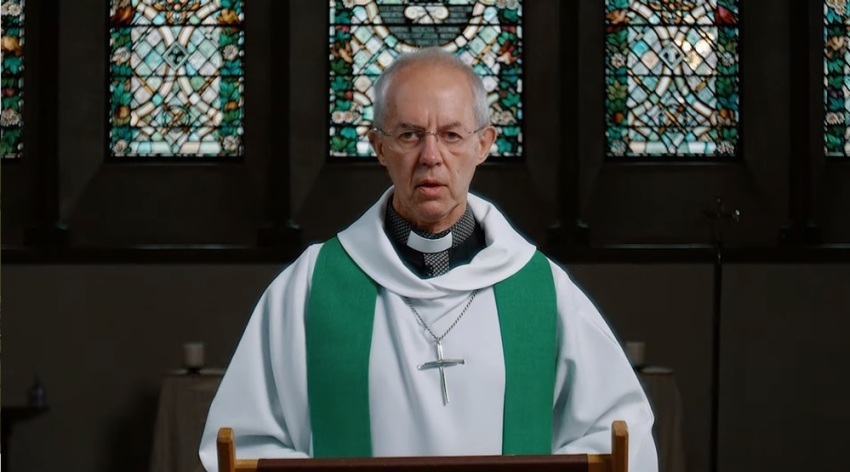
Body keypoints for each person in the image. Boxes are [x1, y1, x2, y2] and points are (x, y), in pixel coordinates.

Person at [199, 47, 658, 471]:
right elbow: (241, 444)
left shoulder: (541, 289)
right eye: (409, 135)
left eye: (452, 135)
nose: (431, 156)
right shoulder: (310, 287)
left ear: (484, 144)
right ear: (379, 146)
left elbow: (620, 437)